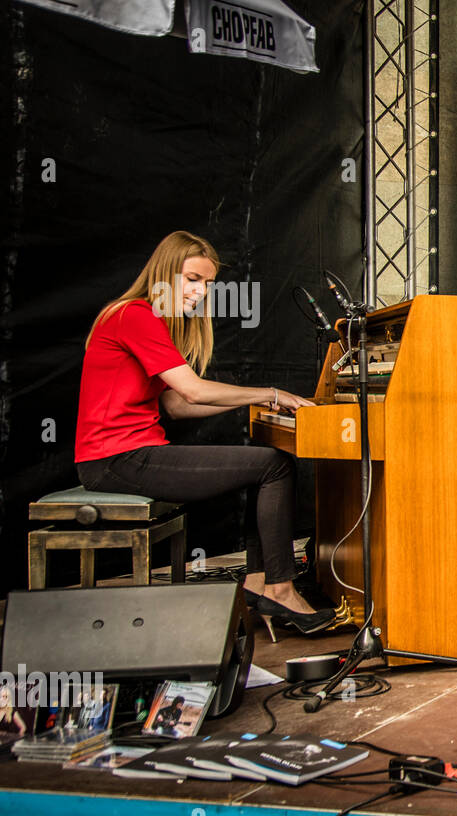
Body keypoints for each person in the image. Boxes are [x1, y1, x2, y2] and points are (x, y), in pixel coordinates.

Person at [74, 231, 333, 634]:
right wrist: (271, 393)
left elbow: (177, 404)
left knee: (266, 466)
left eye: (209, 284)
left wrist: (254, 401)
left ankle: (262, 581)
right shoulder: (133, 314)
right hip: (114, 460)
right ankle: (277, 588)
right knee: (274, 466)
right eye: (192, 279)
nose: (200, 292)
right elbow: (192, 390)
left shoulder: (151, 319)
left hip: (128, 455)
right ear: (164, 273)